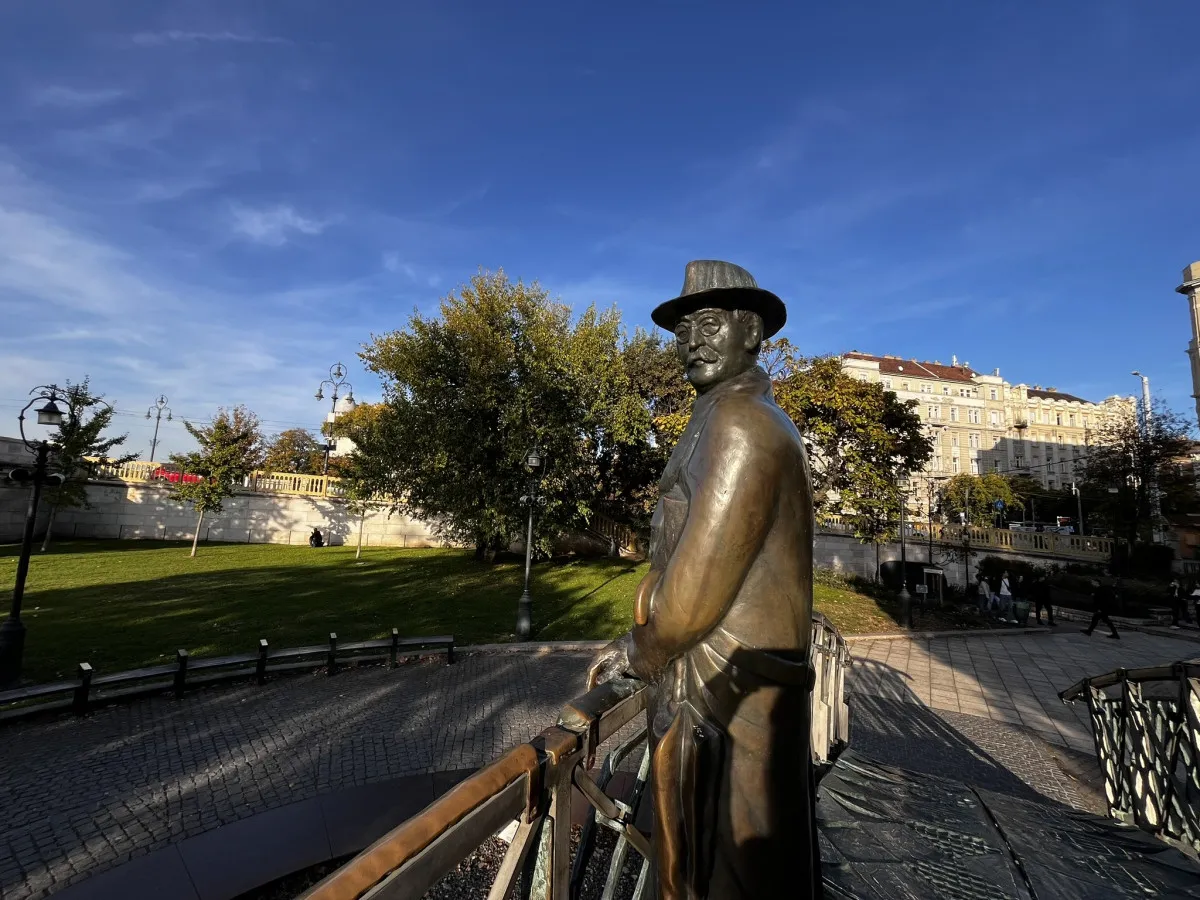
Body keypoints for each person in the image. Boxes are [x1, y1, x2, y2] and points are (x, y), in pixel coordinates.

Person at [586, 260, 818, 898]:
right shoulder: (724, 413)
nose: (690, 342)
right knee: (724, 851)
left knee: (728, 858)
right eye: (683, 331)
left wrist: (640, 648)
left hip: (731, 685)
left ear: (752, 333)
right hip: (732, 678)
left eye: (709, 325)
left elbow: (696, 588)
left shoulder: (741, 425)